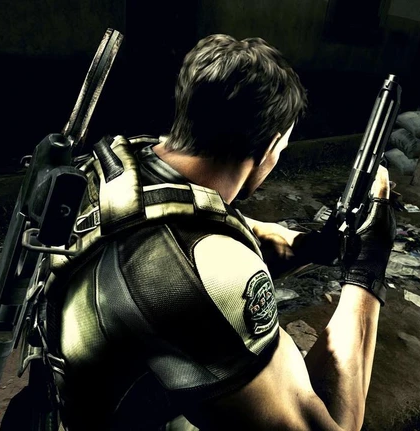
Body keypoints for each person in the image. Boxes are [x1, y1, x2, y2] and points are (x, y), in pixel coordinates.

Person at [41, 34, 396, 431]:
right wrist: (368, 266)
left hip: (65, 397)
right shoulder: (207, 277)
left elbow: (227, 228)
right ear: (269, 146)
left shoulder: (114, 169)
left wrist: (315, 245)